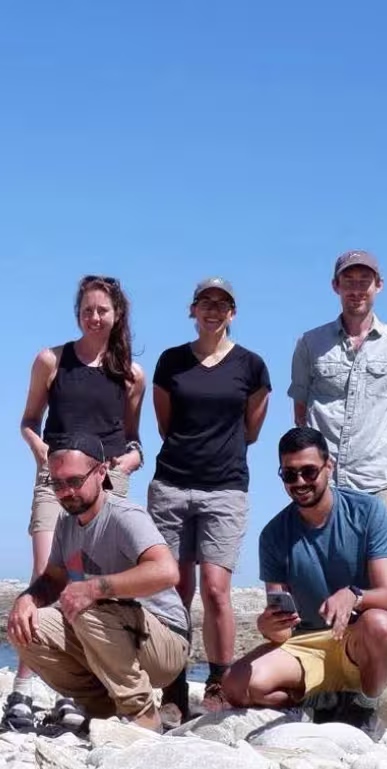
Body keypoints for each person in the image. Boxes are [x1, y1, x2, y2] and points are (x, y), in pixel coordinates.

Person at [9, 275, 145, 727]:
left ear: (117, 314)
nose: (94, 316)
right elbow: (30, 420)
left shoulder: (131, 373)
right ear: (78, 313)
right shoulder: (51, 361)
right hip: (55, 478)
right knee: (45, 576)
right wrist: (41, 453)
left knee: (96, 588)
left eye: (102, 309)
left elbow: (133, 437)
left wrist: (128, 462)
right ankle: (22, 690)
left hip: (107, 483)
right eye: (87, 309)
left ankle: (81, 692)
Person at [221, 427, 387, 733]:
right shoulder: (273, 534)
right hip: (308, 645)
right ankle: (314, 702)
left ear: (329, 466)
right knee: (235, 685)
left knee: (382, 624)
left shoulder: (368, 511)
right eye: (289, 474)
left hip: (360, 643)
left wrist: (354, 595)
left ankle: (363, 707)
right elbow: (281, 628)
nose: (300, 483)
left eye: (309, 472)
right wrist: (268, 626)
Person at [7, 433, 189, 733]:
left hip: (165, 639)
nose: (66, 492)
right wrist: (26, 600)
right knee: (26, 626)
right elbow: (53, 579)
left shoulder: (123, 515)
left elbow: (166, 571)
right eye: (57, 483)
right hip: (114, 630)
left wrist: (94, 588)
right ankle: (102, 710)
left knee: (83, 604)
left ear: (102, 472)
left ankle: (143, 717)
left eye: (75, 481)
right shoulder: (67, 523)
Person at [147, 277, 270, 719]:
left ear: (232, 313)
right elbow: (165, 425)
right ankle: (173, 688)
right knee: (172, 589)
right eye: (205, 303)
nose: (213, 310)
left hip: (225, 487)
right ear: (192, 310)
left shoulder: (252, 366)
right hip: (173, 484)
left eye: (222, 304)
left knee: (216, 589)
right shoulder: (171, 362)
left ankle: (218, 684)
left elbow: (250, 430)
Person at [289, 250, 387, 517]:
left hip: (376, 483)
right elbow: (301, 414)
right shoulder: (309, 344)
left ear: (379, 285)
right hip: (320, 483)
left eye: (365, 280)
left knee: (378, 559)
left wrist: (372, 452)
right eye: (348, 280)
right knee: (316, 558)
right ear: (335, 286)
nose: (356, 289)